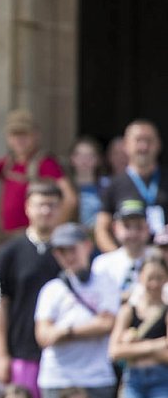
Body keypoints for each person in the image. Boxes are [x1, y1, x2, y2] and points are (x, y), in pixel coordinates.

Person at [34, 222, 119, 398]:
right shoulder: (51, 289)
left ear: (87, 246)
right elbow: (43, 337)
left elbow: (106, 324)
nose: (67, 256)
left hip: (96, 378)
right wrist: (89, 327)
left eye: (72, 248)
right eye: (61, 251)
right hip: (57, 379)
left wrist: (65, 331)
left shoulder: (106, 282)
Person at [0, 181, 64, 398]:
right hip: (21, 353)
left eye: (52, 205)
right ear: (27, 208)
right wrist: (1, 354)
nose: (46, 211)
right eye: (40, 205)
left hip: (64, 356)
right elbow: (0, 304)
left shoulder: (71, 251)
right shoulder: (10, 252)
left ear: (60, 209)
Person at [0, 109, 77, 235]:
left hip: (33, 236)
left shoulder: (46, 163)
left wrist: (53, 230)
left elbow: (70, 199)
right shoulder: (8, 163)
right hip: (9, 235)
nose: (19, 140)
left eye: (24, 134)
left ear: (36, 135)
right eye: (15, 135)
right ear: (8, 138)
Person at [108, 249, 168, 398]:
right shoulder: (128, 311)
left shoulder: (165, 311)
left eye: (159, 278)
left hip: (161, 380)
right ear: (141, 278)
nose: (154, 283)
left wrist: (133, 347)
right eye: (150, 277)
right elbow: (114, 351)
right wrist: (155, 345)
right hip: (133, 382)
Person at [96, 120, 167, 253]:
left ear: (158, 144)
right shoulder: (113, 185)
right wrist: (121, 259)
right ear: (126, 145)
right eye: (138, 140)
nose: (143, 147)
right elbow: (101, 230)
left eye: (149, 140)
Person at [91, 200, 151, 300]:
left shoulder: (160, 259)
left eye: (139, 227)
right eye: (127, 226)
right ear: (115, 228)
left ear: (148, 228)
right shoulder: (102, 264)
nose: (133, 233)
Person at [69, 136, 109, 230]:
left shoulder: (107, 185)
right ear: (72, 159)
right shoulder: (65, 187)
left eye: (90, 156)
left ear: (98, 159)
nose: (84, 160)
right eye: (80, 155)